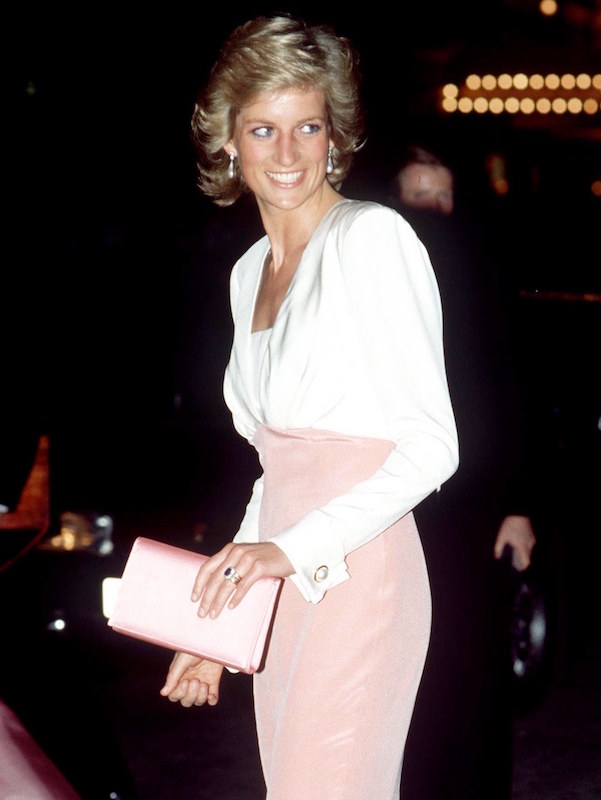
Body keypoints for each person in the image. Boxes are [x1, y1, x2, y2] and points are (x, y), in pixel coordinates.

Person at [160, 15, 459, 800]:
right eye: (263, 129)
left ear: (335, 137)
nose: (286, 154)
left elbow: (432, 447)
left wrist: (289, 553)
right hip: (288, 583)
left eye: (307, 127)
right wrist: (216, 629)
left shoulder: (371, 240)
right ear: (228, 140)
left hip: (360, 581)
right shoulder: (246, 271)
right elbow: (277, 474)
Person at [390, 144, 537, 799]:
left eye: (443, 197)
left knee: (471, 677)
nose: (433, 212)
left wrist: (517, 505)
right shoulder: (370, 283)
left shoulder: (480, 281)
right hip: (388, 507)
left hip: (469, 508)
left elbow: (511, 387)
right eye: (418, 198)